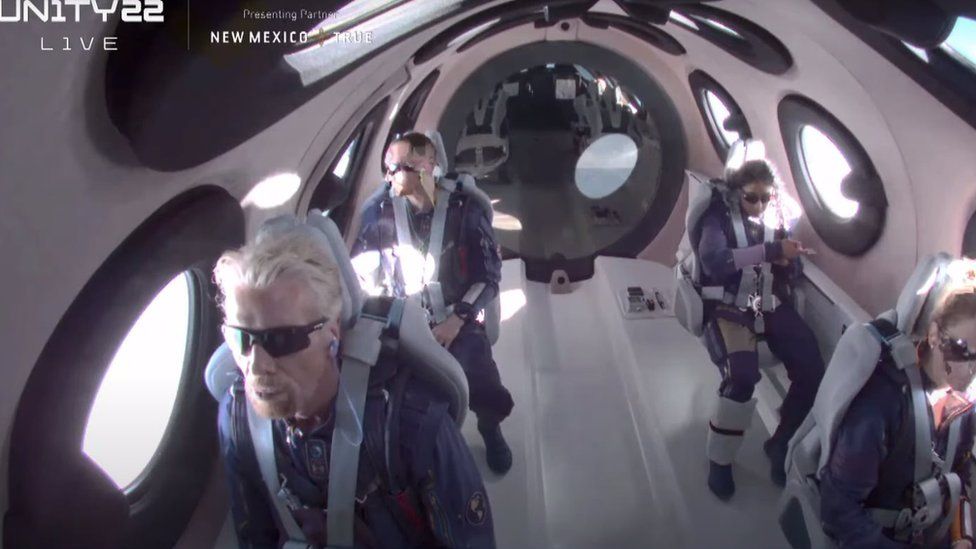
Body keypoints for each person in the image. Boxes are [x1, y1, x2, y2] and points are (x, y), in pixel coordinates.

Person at [213, 216, 496, 548]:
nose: (256, 365)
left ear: (332, 332)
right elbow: (253, 535)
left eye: (282, 339)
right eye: (241, 338)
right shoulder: (237, 417)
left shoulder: (409, 423)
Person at [351, 131, 515, 474]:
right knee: (392, 394)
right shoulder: (379, 214)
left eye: (405, 166)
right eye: (389, 167)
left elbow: (489, 276)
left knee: (484, 382)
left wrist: (456, 320)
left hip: (458, 318)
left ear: (430, 166)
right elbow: (363, 272)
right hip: (403, 321)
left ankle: (490, 428)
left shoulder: (466, 211)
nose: (394, 175)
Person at [695, 143, 825, 500]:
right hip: (728, 304)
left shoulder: (774, 218)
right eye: (752, 198)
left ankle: (781, 441)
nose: (760, 205)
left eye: (766, 198)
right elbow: (714, 262)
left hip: (765, 301)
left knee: (812, 367)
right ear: (737, 193)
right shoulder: (717, 218)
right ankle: (720, 459)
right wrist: (771, 252)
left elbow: (789, 264)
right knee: (742, 376)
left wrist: (788, 262)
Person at [820, 260, 976, 549]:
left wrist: (962, 537)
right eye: (962, 350)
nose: (971, 369)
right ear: (934, 335)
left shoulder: (964, 408)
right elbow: (838, 507)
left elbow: (960, 477)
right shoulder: (882, 403)